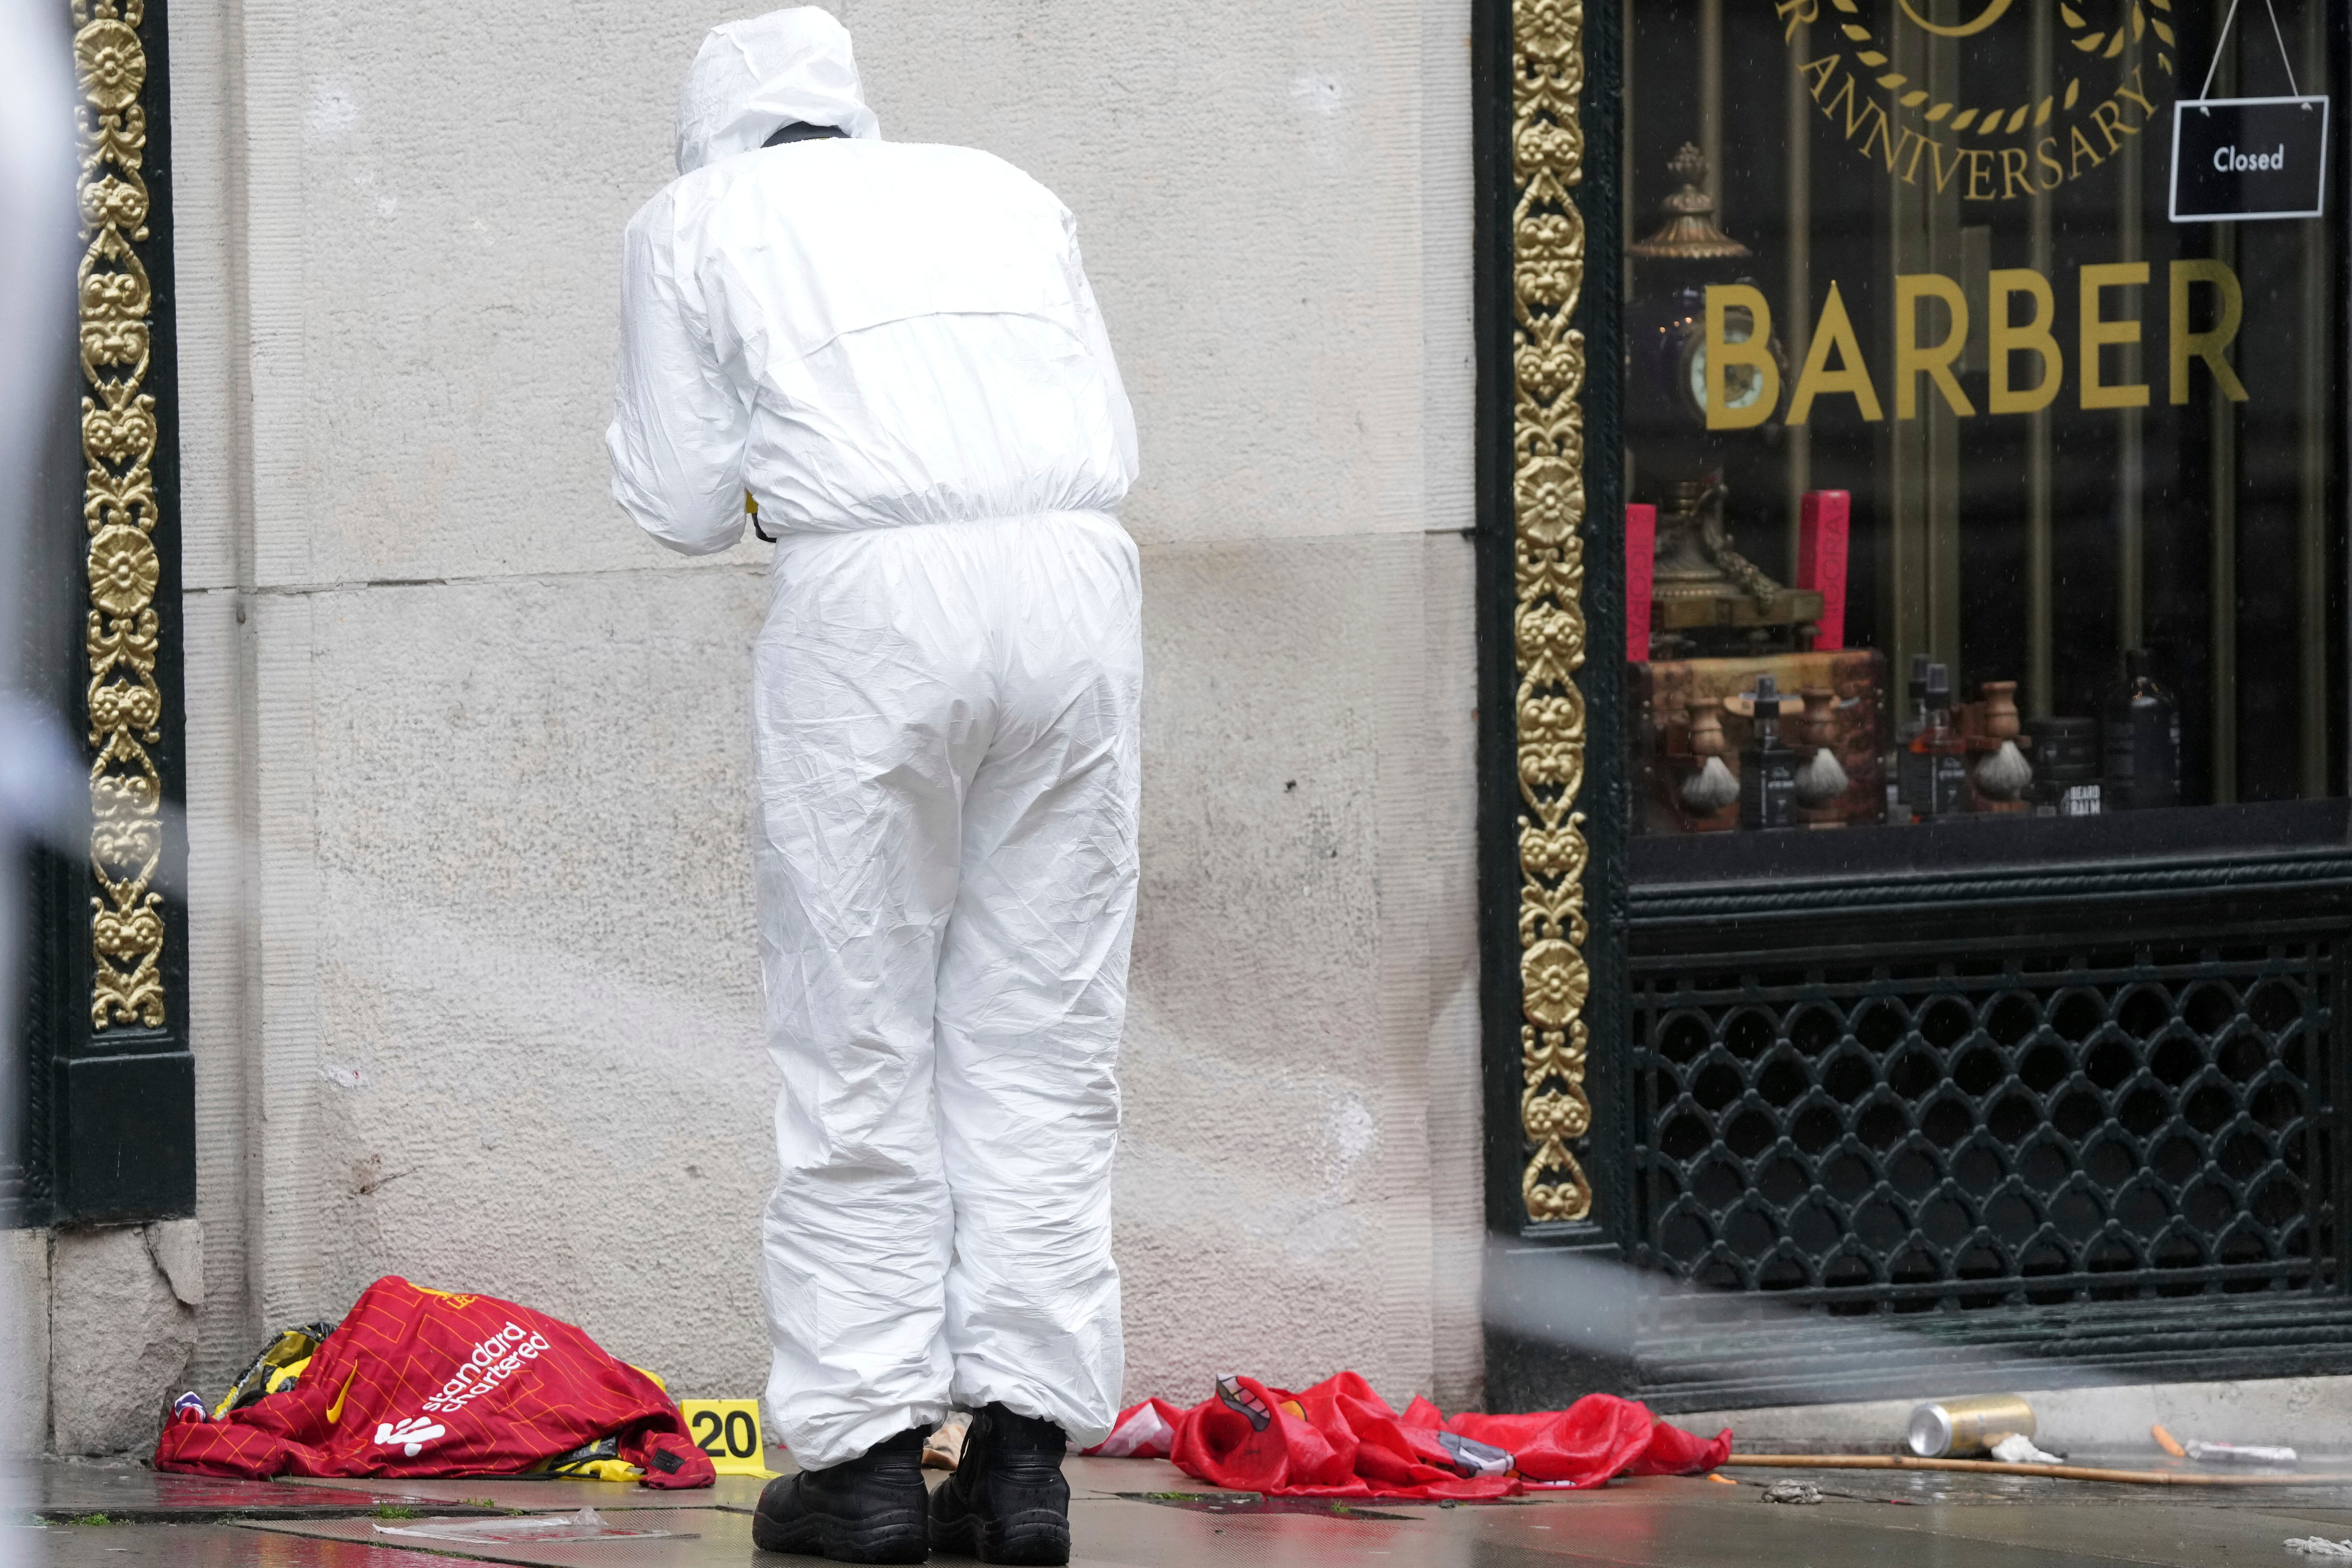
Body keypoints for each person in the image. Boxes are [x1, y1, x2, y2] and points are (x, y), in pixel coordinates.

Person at [606, 10, 1141, 1564]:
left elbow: (680, 497)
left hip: (872, 605)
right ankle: (1025, 1461)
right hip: (1077, 584)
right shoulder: (1001, 184)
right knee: (1045, 1026)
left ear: (708, 130)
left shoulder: (691, 218)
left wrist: (794, 454)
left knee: (854, 1028)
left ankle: (859, 1465)